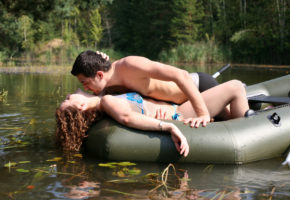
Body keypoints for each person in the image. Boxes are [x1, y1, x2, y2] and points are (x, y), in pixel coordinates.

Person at [56, 78, 249, 156]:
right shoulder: (107, 102)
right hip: (180, 113)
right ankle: (247, 125)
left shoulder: (102, 99)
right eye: (68, 98)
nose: (71, 92)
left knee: (227, 104)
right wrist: (169, 126)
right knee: (236, 86)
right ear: (81, 106)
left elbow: (104, 76)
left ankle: (246, 114)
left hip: (176, 107)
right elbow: (127, 118)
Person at [71, 50, 224, 128]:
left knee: (229, 117)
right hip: (179, 104)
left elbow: (181, 75)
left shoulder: (130, 65)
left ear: (99, 75)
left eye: (85, 83)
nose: (85, 88)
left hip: (199, 86)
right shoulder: (108, 89)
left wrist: (202, 114)